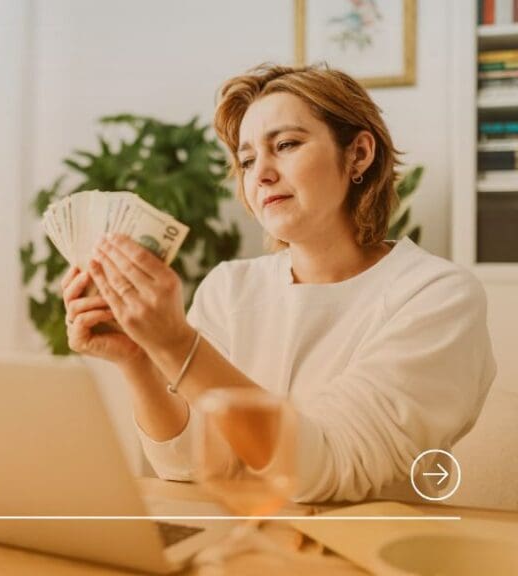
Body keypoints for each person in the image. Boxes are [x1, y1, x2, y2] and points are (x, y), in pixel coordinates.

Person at [60, 63, 496, 503]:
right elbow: (189, 466)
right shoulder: (229, 287)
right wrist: (140, 361)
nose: (261, 173)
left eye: (286, 145)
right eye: (247, 160)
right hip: (242, 548)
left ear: (359, 154)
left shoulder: (437, 296)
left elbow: (324, 468)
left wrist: (175, 345)